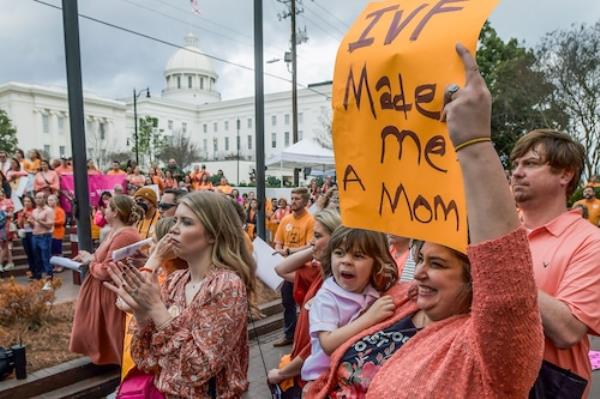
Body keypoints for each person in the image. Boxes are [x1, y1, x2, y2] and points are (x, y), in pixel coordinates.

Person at [307, 43, 544, 399]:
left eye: (436, 263)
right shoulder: (403, 299)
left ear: (476, 278)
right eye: (420, 258)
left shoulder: (486, 351)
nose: (418, 271)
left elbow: (507, 292)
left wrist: (475, 144)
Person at [105, 191, 257, 398]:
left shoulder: (226, 285)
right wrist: (142, 314)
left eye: (186, 222)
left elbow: (197, 369)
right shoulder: (176, 280)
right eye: (175, 220)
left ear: (213, 233)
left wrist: (157, 309)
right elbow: (147, 361)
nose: (173, 230)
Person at [510, 129, 600, 398]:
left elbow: (567, 331)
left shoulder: (590, 242)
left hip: (551, 385)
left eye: (531, 164)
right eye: (515, 164)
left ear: (565, 174)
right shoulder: (502, 234)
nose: (516, 172)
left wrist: (502, 269)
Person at [301, 227, 398, 383]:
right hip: (322, 378)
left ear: (376, 263)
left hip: (349, 373)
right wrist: (369, 318)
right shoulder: (327, 297)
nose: (346, 260)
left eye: (358, 255)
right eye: (339, 253)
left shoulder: (372, 291)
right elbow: (328, 343)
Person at [268, 209, 342, 391]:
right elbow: (281, 269)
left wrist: (283, 373)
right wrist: (315, 248)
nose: (311, 241)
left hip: (313, 377)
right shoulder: (318, 273)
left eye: (317, 235)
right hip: (300, 369)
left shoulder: (342, 286)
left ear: (335, 239)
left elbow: (316, 346)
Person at [69, 195, 143, 365]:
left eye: (108, 207)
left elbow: (106, 270)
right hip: (102, 292)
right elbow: (100, 257)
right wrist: (90, 257)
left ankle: (124, 373)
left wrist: (91, 262)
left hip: (111, 293)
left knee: (115, 334)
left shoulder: (126, 235)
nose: (104, 210)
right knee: (102, 333)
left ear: (116, 212)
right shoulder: (114, 232)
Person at [273, 187, 315, 347]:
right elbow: (278, 241)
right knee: (287, 302)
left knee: (305, 303)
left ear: (305, 202)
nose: (293, 201)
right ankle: (289, 334)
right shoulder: (286, 220)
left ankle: (306, 336)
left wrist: (289, 251)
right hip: (287, 267)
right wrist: (278, 250)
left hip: (303, 270)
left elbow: (310, 247)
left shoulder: (311, 220)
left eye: (297, 199)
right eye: (292, 198)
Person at [31, 191, 54, 286]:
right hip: (35, 236)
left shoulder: (49, 210)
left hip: (44, 237)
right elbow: (34, 225)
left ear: (45, 199)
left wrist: (38, 220)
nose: (38, 199)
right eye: (36, 198)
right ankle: (38, 279)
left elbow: (49, 225)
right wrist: (30, 222)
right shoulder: (34, 211)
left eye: (40, 197)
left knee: (46, 258)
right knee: (36, 258)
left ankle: (49, 279)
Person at [16, 195, 36, 277]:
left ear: (32, 202)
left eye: (28, 201)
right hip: (25, 234)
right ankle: (31, 270)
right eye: (25, 201)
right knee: (28, 253)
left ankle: (37, 271)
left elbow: (35, 225)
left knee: (34, 252)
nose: (26, 203)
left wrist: (28, 215)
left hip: (33, 233)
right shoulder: (21, 212)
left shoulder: (35, 211)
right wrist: (22, 215)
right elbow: (20, 225)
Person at [47, 195, 65, 272]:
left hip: (57, 233)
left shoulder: (60, 210)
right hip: (48, 233)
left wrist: (51, 222)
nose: (50, 202)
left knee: (57, 251)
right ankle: (54, 266)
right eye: (49, 200)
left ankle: (60, 265)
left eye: (52, 200)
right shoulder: (47, 210)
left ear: (56, 201)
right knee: (51, 251)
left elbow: (61, 221)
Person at [0, 188, 15, 272]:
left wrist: (3, 214)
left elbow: (11, 214)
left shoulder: (7, 201)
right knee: (5, 246)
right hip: (0, 227)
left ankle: (1, 263)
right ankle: (10, 262)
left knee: (4, 245)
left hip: (6, 226)